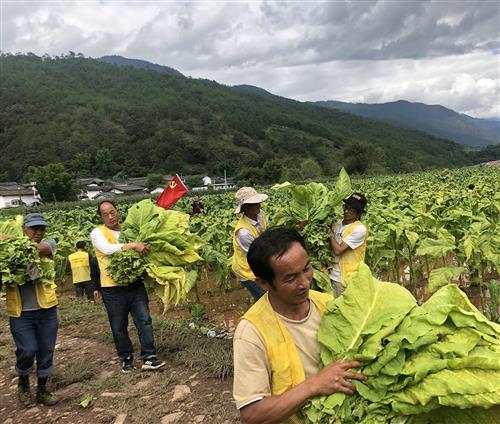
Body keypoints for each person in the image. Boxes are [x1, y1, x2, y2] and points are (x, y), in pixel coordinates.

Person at [233, 228, 366, 423]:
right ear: (263, 283)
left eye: (306, 269)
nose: (304, 283)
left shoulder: (328, 304)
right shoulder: (252, 332)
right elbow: (252, 413)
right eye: (290, 278)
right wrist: (315, 385)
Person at [90, 200, 165, 373]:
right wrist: (133, 245)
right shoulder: (97, 232)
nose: (110, 216)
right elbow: (107, 249)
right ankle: (126, 358)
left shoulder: (129, 230)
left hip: (134, 284)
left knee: (144, 320)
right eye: (105, 214)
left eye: (112, 212)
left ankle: (149, 357)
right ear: (100, 217)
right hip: (112, 288)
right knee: (119, 325)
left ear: (118, 211)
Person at [0, 213, 59, 406]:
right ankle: (23, 382)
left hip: (46, 309)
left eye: (42, 228)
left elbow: (40, 248)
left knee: (46, 350)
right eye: (34, 228)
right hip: (21, 312)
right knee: (27, 350)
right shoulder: (8, 252)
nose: (39, 232)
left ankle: (42, 389)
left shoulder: (48, 244)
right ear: (24, 228)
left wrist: (10, 240)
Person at [231, 186, 269, 301]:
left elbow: (268, 233)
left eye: (258, 202)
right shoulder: (243, 233)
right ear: (245, 208)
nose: (259, 205)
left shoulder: (261, 215)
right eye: (254, 203)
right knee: (264, 299)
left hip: (259, 260)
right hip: (247, 271)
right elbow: (258, 256)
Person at [329, 192, 368, 297]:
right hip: (331, 274)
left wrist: (327, 232)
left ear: (359, 213)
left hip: (346, 279)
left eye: (351, 209)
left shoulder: (359, 229)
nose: (346, 211)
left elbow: (338, 250)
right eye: (346, 207)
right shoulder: (337, 224)